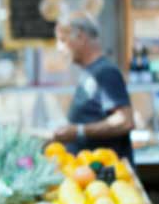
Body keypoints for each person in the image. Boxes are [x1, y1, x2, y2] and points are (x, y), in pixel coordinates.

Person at [53, 12, 135, 163]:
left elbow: (125, 121)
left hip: (106, 176)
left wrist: (78, 131)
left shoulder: (105, 72)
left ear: (81, 38)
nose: (59, 48)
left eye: (63, 40)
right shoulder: (89, 71)